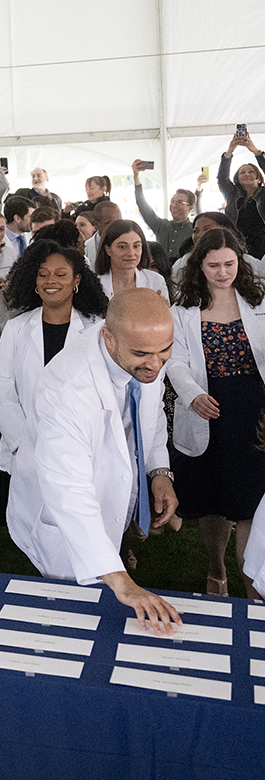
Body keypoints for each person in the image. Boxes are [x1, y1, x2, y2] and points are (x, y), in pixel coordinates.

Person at [8, 289, 181, 631]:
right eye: (143, 355)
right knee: (70, 618)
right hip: (60, 513)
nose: (156, 365)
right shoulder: (66, 389)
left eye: (165, 352)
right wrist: (121, 581)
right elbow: (68, 491)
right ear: (108, 337)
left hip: (106, 492)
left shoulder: (145, 350)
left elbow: (150, 412)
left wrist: (158, 471)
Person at [166, 228, 265, 599]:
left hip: (255, 414)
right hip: (208, 410)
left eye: (229, 264)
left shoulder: (258, 300)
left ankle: (253, 589)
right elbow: (175, 361)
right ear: (199, 266)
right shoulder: (182, 310)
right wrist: (192, 396)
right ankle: (215, 566)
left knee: (250, 503)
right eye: (214, 265)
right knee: (211, 501)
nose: (223, 272)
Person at [0, 239, 107, 526]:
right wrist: (26, 443)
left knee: (77, 523)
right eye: (42, 274)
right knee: (30, 528)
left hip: (79, 447)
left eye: (60, 274)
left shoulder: (96, 330)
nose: (50, 281)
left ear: (77, 280)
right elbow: (3, 394)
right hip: (25, 448)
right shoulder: (17, 329)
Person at [132, 160, 196, 261]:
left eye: (179, 202)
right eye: (172, 201)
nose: (174, 205)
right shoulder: (161, 225)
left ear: (190, 207)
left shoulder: (194, 230)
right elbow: (142, 205)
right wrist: (136, 177)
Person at [216, 132, 265, 258]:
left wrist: (255, 151)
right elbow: (222, 178)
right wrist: (230, 151)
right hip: (237, 246)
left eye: (251, 172)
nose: (246, 174)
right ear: (237, 178)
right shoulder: (232, 194)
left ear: (259, 178)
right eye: (242, 173)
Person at [94, 220, 170, 300]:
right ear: (108, 249)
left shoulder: (155, 281)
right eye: (122, 247)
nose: (131, 253)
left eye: (136, 246)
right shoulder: (95, 284)